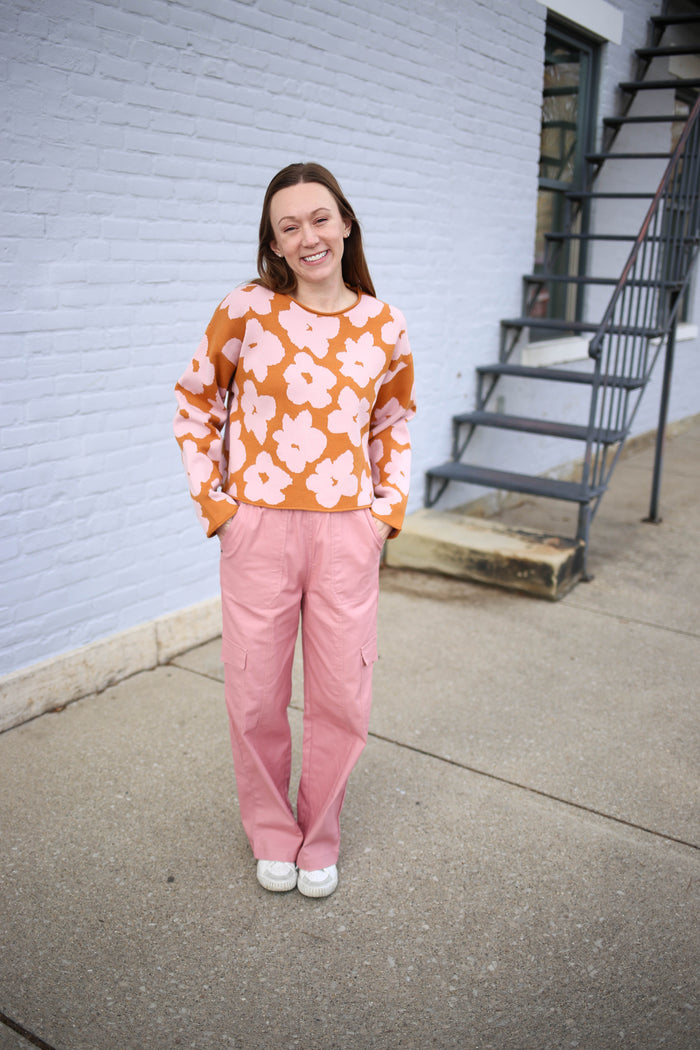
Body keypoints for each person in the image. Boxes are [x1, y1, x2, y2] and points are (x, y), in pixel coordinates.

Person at [174, 162, 415, 898]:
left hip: (346, 533)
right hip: (258, 530)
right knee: (254, 694)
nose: (307, 236)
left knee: (343, 696)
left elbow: (393, 422)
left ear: (345, 223)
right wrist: (217, 506)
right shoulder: (246, 310)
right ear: (274, 245)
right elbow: (196, 404)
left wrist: (384, 515)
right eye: (289, 226)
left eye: (319, 218)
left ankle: (320, 836)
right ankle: (272, 832)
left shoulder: (385, 325)